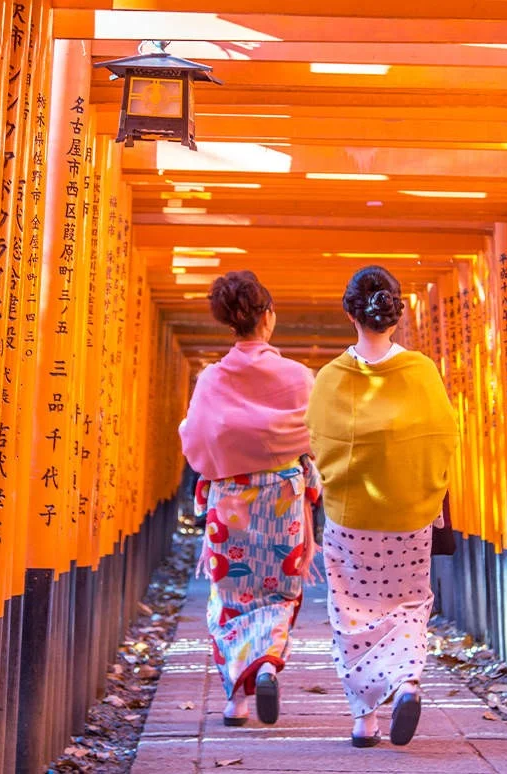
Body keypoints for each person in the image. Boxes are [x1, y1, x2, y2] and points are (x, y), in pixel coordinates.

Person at [306, 266, 460, 747]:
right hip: (410, 516)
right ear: (396, 313)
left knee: (352, 612)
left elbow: (316, 444)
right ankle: (408, 681)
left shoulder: (332, 378)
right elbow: (443, 440)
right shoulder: (421, 371)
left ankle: (364, 721)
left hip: (352, 519)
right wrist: (426, 492)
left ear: (350, 312)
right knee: (409, 604)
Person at [179, 271, 321, 727]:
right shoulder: (299, 378)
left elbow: (194, 441)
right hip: (283, 500)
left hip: (231, 501)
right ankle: (266, 662)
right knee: (280, 591)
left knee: (230, 595)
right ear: (268, 317)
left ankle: (235, 700)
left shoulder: (211, 380)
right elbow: (317, 438)